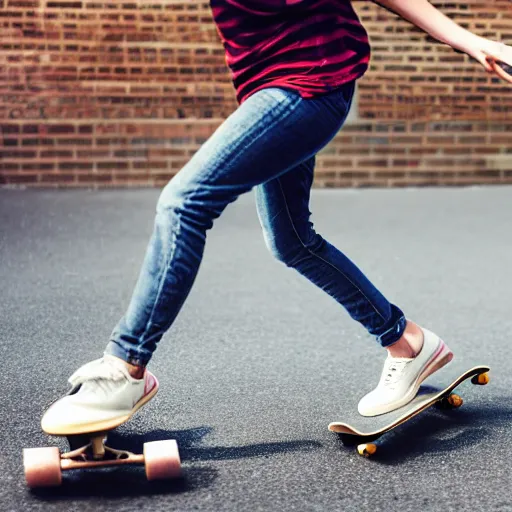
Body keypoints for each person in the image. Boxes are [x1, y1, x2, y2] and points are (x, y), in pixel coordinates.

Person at [42, 0, 512, 434]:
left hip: (310, 80)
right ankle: (406, 341)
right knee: (291, 239)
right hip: (270, 89)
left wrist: (465, 39)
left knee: (185, 202)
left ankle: (126, 365)